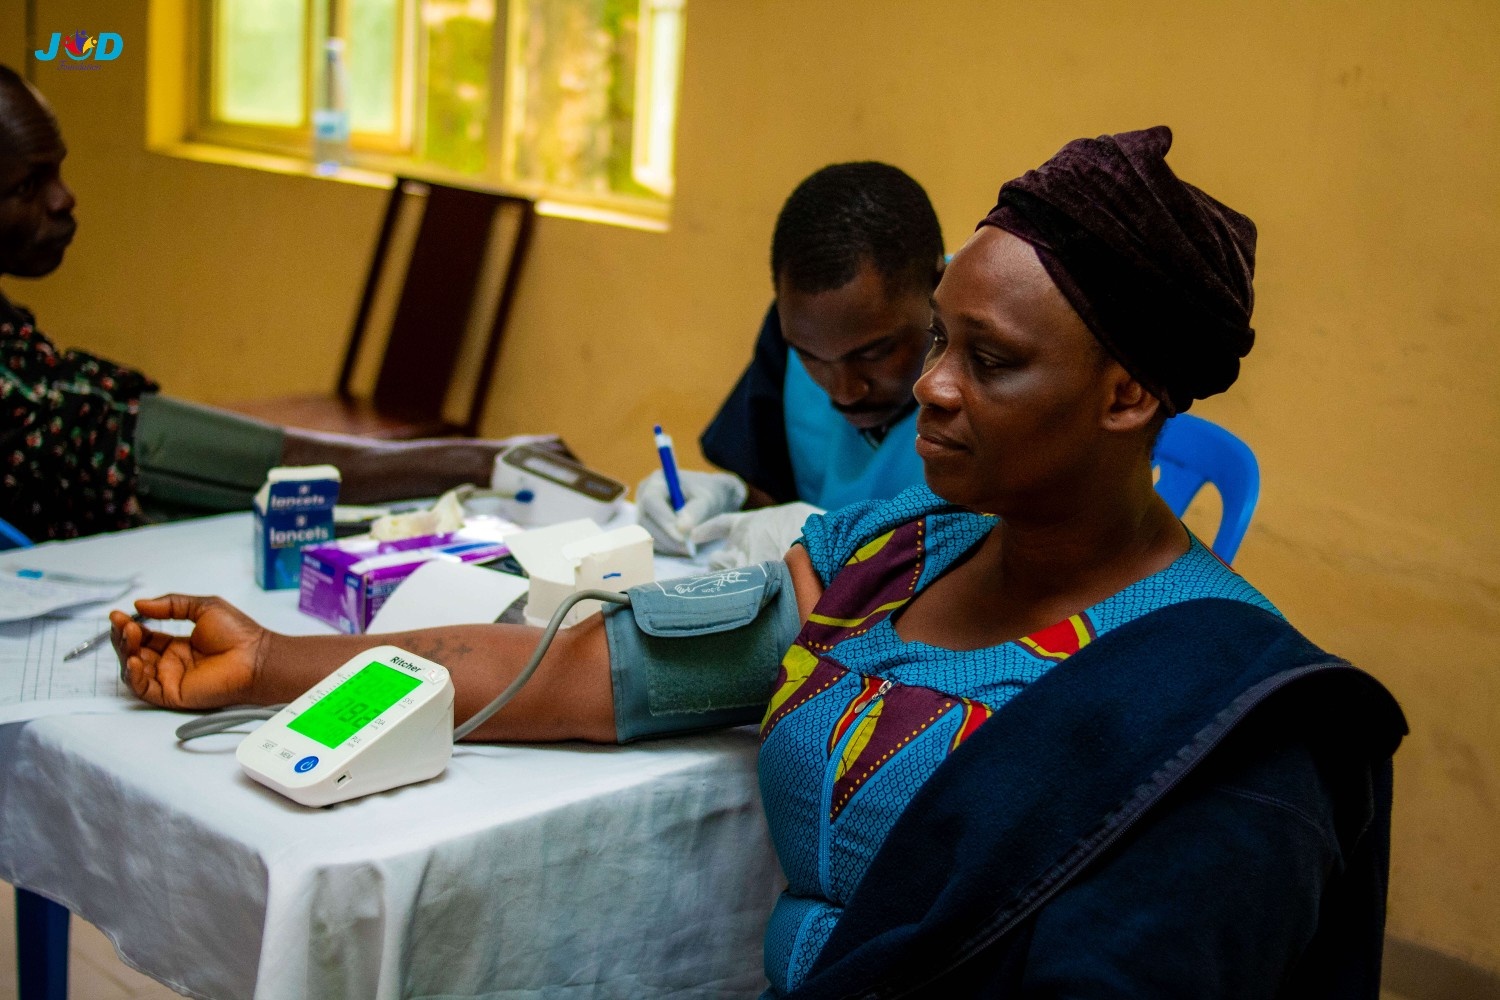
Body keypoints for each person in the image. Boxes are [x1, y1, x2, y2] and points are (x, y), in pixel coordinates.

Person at [112, 127, 1405, 997]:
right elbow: (570, 672)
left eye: (990, 360)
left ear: (1130, 397)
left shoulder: (1220, 720)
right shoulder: (880, 563)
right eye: (939, 342)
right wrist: (280, 661)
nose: (931, 393)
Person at [0, 64, 540, 543]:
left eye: (58, 171)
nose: (64, 198)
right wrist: (480, 460)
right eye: (28, 185)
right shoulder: (21, 394)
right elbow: (136, 440)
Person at [636, 162, 944, 566]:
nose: (844, 391)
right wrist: (728, 499)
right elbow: (767, 492)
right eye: (811, 356)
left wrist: (840, 544)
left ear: (939, 288)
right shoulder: (799, 333)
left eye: (873, 353)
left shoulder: (992, 361)